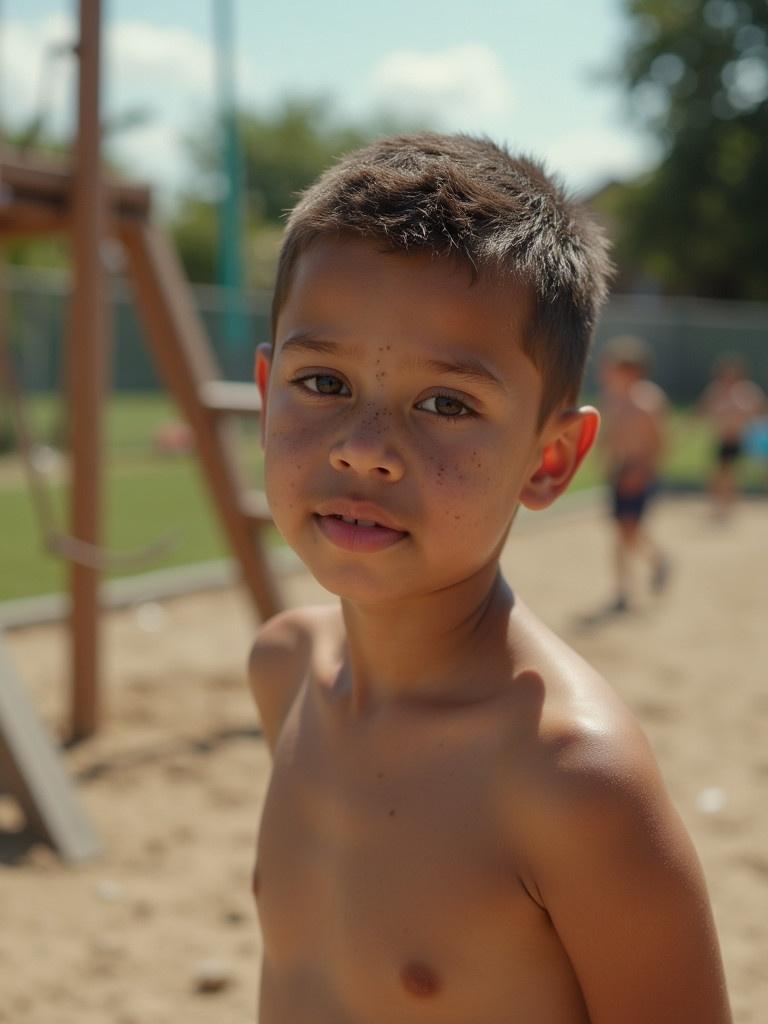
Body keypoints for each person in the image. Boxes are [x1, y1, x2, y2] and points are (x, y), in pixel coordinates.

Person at [248, 133, 731, 1023]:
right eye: (323, 381)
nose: (364, 449)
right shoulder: (283, 671)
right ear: (265, 391)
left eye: (446, 404)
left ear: (550, 460)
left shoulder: (573, 782)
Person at [596, 335, 671, 615]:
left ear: (630, 371)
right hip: (620, 471)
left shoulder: (648, 401)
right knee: (620, 533)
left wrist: (643, 472)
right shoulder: (612, 399)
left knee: (630, 530)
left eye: (612, 367)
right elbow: (610, 435)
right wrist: (604, 460)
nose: (605, 372)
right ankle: (623, 591)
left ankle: (657, 561)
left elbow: (661, 443)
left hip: (639, 473)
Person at [697, 354, 766, 520]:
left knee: (733, 474)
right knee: (717, 473)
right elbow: (702, 410)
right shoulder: (716, 390)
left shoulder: (748, 391)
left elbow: (760, 411)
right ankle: (718, 503)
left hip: (740, 439)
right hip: (722, 438)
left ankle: (729, 504)